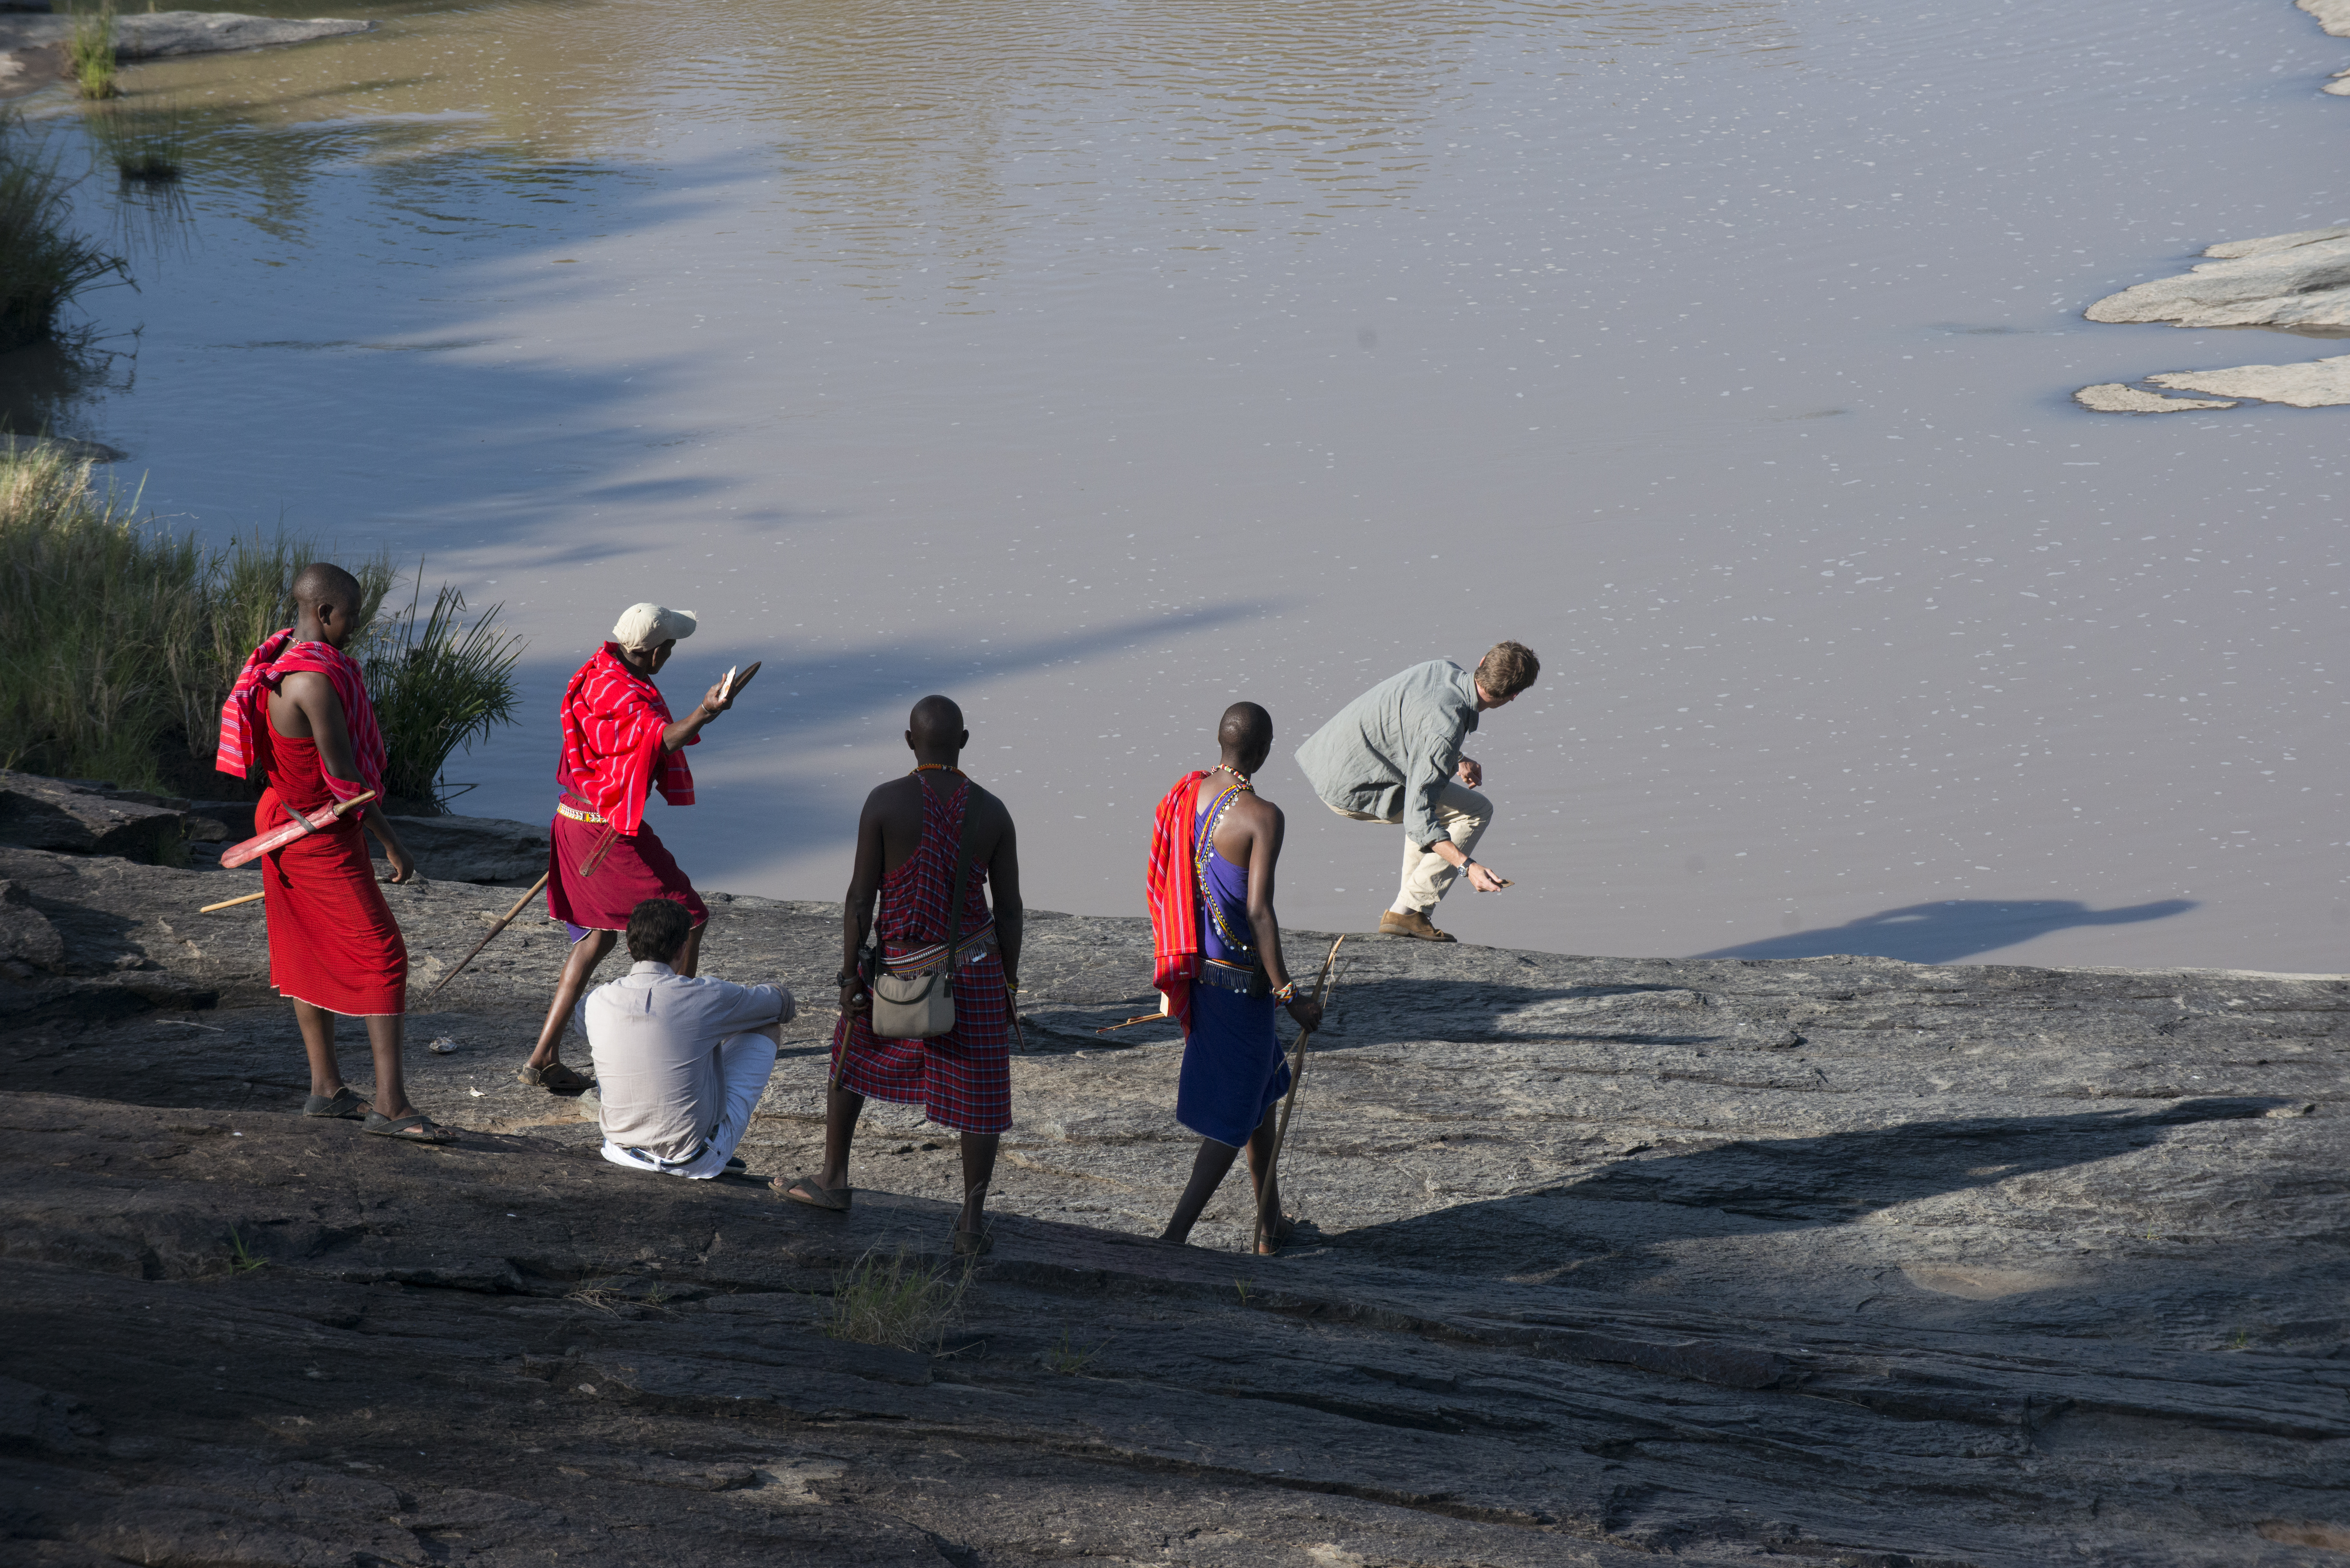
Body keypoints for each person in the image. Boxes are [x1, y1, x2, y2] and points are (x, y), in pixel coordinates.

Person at [780, 695, 1022, 1258]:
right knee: (982, 1091)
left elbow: (860, 898)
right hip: (974, 971)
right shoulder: (993, 812)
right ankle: (970, 1222)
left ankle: (834, 1179)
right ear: (965, 742)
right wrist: (1009, 985)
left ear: (910, 741)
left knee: (850, 1056)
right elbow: (1010, 910)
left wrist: (849, 977)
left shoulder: (885, 802)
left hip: (898, 972)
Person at [214, 562, 448, 1142]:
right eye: (351, 615)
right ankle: (391, 1106)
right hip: (315, 834)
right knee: (383, 955)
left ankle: (326, 1090)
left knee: (304, 946)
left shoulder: (280, 657)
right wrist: (395, 845)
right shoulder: (313, 682)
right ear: (323, 612)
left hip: (284, 819)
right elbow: (347, 787)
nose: (356, 626)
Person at [519, 603, 741, 1095]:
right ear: (655, 652)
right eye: (671, 648)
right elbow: (661, 741)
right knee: (690, 918)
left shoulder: (598, 669)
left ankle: (544, 1057)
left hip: (572, 817)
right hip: (603, 832)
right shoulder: (626, 695)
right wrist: (707, 710)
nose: (672, 655)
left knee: (595, 940)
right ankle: (678, 1041)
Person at [1147, 702, 1324, 1254]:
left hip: (1202, 976)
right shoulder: (1262, 816)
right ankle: (1174, 1237)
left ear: (1221, 741)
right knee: (1233, 1116)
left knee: (1259, 1098)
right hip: (1243, 990)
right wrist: (1291, 995)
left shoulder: (1186, 797)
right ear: (1264, 751)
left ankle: (1270, 1228)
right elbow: (1259, 912)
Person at [1294, 642, 1540, 942]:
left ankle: (1408, 913)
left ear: (1483, 661)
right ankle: (1409, 912)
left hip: (1328, 759)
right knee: (1475, 812)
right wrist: (1467, 866)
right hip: (1351, 788)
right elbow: (1418, 818)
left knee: (1428, 797)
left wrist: (1456, 758)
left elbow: (1417, 723)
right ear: (1514, 696)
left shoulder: (1440, 669)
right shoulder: (1445, 732)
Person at [582, 898, 794, 1179]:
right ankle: (712, 1145)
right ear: (682, 949)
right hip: (692, 1161)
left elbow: (583, 1027)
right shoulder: (707, 995)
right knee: (765, 1026)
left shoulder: (596, 1001)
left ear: (630, 947)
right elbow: (782, 1006)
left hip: (620, 1151)